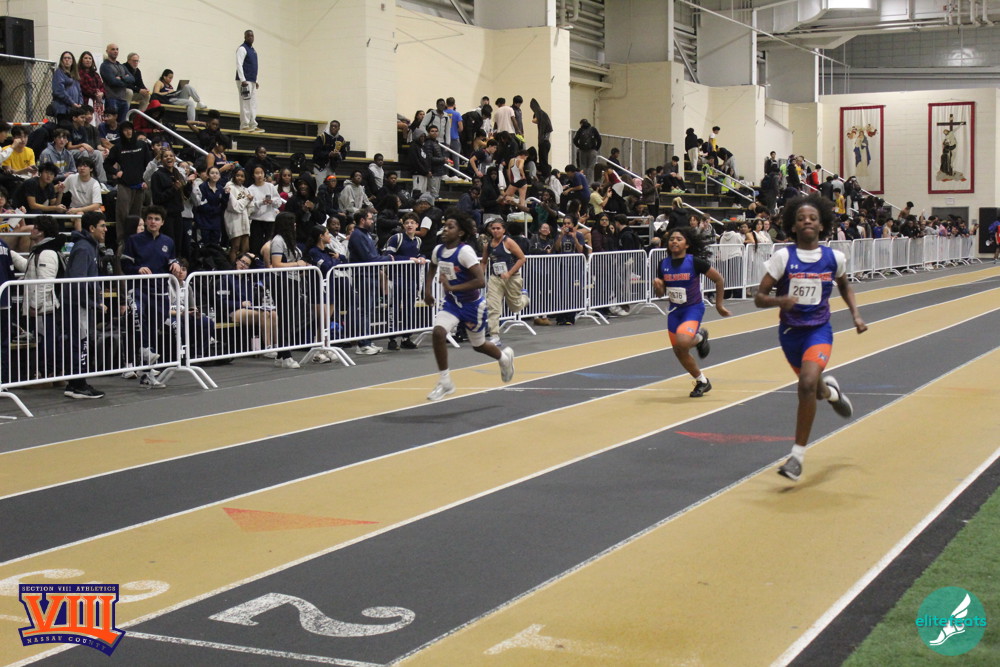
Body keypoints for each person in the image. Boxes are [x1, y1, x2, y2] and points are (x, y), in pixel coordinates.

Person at [754, 194, 867, 482]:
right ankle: (830, 393)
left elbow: (845, 286)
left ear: (822, 225)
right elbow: (759, 297)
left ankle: (797, 457)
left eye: (813, 218)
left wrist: (855, 315)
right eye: (801, 218)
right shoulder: (783, 257)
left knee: (805, 384)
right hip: (790, 333)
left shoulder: (833, 258)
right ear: (793, 226)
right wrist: (780, 300)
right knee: (814, 389)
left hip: (819, 330)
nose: (807, 221)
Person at [424, 209, 514, 401]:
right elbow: (432, 265)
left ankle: (504, 358)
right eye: (444, 226)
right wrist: (428, 290)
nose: (445, 229)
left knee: (478, 345)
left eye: (450, 227)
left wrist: (452, 287)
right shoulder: (438, 250)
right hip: (452, 304)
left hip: (472, 305)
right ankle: (445, 381)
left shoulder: (465, 252)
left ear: (461, 232)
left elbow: (480, 281)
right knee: (438, 333)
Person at [653, 226, 731, 397]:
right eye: (672, 239)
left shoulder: (694, 262)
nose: (674, 241)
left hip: (693, 309)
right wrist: (658, 286)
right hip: (675, 311)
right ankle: (702, 381)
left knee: (683, 342)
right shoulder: (663, 264)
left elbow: (718, 279)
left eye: (679, 239)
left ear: (687, 244)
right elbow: (661, 293)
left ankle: (700, 337)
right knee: (679, 351)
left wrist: (719, 305)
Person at [120, 206, 185, 379]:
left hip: (160, 292)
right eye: (149, 218)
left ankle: (146, 371)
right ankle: (141, 353)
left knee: (154, 328)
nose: (152, 222)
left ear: (162, 222)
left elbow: (171, 260)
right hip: (139, 289)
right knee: (138, 316)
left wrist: (175, 264)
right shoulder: (134, 240)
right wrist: (137, 269)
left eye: (156, 219)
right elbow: (125, 265)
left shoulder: (168, 242)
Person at [63, 210, 107, 399]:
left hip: (82, 304)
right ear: (91, 228)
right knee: (80, 342)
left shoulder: (90, 246)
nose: (105, 229)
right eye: (102, 226)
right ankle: (77, 384)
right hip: (77, 304)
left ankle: (76, 382)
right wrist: (91, 303)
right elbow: (78, 281)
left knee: (81, 341)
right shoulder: (83, 248)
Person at [481, 219, 529, 346]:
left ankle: (525, 297)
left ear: (504, 230)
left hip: (512, 278)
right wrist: (481, 275)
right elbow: (484, 262)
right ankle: (494, 335)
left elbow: (522, 258)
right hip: (495, 278)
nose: (495, 231)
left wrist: (509, 273)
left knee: (515, 307)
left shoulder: (508, 242)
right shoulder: (488, 245)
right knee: (493, 306)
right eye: (493, 228)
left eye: (498, 228)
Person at [225, 167, 256, 263]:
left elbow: (251, 207)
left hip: (245, 219)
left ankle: (242, 266)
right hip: (233, 219)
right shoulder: (229, 186)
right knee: (235, 246)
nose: (240, 178)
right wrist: (247, 199)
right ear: (234, 175)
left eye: (242, 176)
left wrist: (249, 201)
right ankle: (233, 267)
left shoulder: (245, 189)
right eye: (238, 175)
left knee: (246, 248)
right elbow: (235, 207)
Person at [236, 29, 262, 133]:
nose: (251, 37)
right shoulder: (242, 49)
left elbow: (253, 67)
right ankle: (244, 125)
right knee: (245, 103)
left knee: (253, 103)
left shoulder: (253, 50)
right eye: (248, 36)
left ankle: (253, 124)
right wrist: (243, 80)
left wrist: (256, 81)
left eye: (252, 36)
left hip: (252, 80)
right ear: (245, 37)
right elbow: (239, 64)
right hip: (245, 81)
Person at [99, 43, 131, 121]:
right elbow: (113, 81)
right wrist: (125, 80)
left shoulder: (121, 66)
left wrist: (121, 78)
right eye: (113, 49)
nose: (115, 51)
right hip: (111, 98)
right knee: (111, 122)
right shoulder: (105, 66)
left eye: (117, 49)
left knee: (122, 124)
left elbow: (132, 79)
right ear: (107, 51)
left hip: (123, 98)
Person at [52, 51, 83, 125]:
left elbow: (79, 92)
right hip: (63, 109)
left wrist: (80, 104)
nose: (67, 60)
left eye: (69, 58)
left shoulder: (74, 74)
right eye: (65, 58)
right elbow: (59, 90)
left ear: (72, 61)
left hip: (74, 109)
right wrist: (72, 103)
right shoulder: (59, 73)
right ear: (62, 60)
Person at [77, 51, 105, 123]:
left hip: (98, 102)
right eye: (85, 58)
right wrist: (96, 93)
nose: (88, 60)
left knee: (99, 122)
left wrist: (102, 93)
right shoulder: (79, 73)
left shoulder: (96, 74)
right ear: (81, 60)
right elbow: (84, 87)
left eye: (90, 58)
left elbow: (102, 86)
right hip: (86, 101)